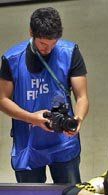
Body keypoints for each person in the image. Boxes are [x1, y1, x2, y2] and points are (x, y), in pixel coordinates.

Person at [0, 7, 88, 183]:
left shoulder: (70, 53)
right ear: (31, 32)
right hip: (28, 142)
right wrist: (31, 118)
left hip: (64, 142)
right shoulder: (12, 58)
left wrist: (78, 118)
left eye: (53, 43)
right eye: (43, 44)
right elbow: (2, 99)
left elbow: (82, 97)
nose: (48, 49)